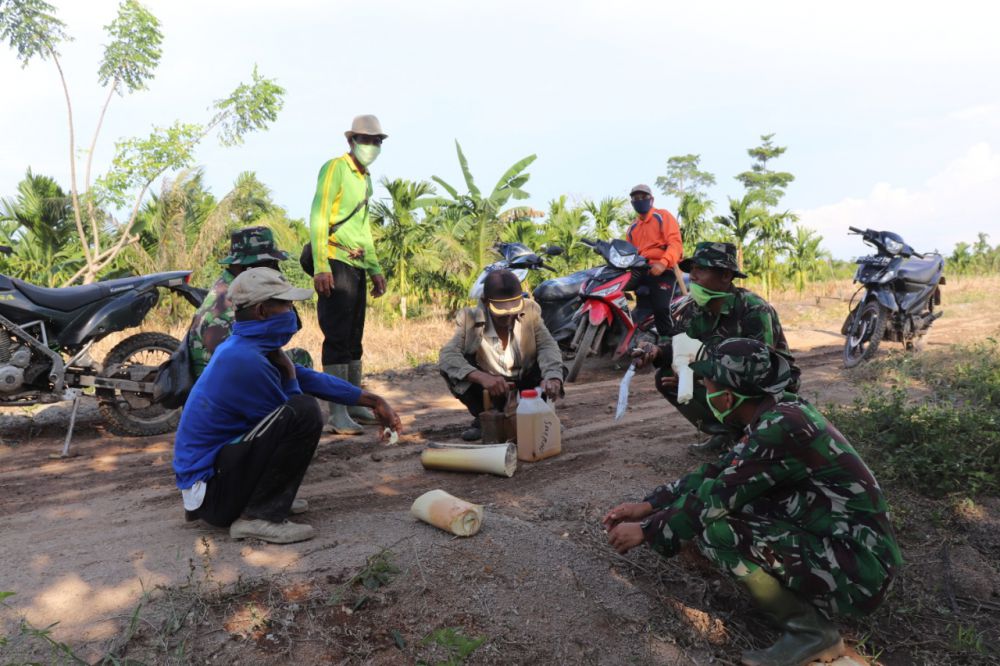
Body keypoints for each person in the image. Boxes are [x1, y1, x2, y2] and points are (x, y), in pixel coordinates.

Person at [603, 338, 901, 666]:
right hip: (849, 550)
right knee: (736, 506)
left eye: (707, 384)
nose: (703, 389)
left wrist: (647, 529)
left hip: (859, 569)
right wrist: (649, 505)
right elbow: (718, 472)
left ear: (727, 396)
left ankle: (811, 633)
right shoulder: (778, 412)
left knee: (717, 530)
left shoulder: (781, 427)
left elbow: (714, 499)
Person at [173, 268, 402, 544]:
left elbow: (313, 380)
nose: (291, 312)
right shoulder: (244, 360)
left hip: (217, 481)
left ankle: (262, 500)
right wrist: (291, 377)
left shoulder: (248, 346)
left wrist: (374, 401)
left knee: (299, 409)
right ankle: (259, 516)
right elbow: (290, 418)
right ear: (261, 312)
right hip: (212, 496)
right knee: (304, 413)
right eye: (285, 304)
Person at [633, 241, 800, 452]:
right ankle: (726, 434)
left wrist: (697, 376)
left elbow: (759, 369)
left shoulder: (754, 309)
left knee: (697, 378)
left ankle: (754, 435)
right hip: (724, 377)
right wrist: (656, 352)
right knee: (666, 378)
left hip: (770, 385)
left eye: (701, 269)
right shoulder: (694, 309)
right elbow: (680, 349)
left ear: (725, 276)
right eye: (692, 270)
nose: (693, 276)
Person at [309, 114, 389, 434]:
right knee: (337, 338)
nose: (370, 145)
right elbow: (318, 216)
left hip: (356, 265)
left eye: (376, 141)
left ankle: (355, 402)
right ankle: (337, 412)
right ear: (351, 141)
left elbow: (363, 229)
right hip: (334, 259)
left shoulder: (365, 178)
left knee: (355, 337)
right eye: (365, 139)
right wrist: (320, 266)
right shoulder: (335, 169)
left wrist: (375, 269)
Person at [439, 269, 564, 441]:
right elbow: (447, 356)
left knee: (555, 366)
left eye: (513, 309)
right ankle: (486, 419)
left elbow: (547, 346)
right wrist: (481, 377)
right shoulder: (469, 318)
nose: (509, 316)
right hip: (492, 389)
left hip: (527, 383)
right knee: (453, 370)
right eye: (501, 313)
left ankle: (541, 417)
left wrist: (553, 377)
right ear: (485, 301)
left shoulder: (531, 311)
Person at [188, 226, 311, 377]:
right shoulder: (231, 305)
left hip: (233, 373)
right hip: (229, 383)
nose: (274, 271)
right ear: (245, 267)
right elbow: (242, 365)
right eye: (270, 264)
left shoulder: (231, 287)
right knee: (300, 360)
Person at [625, 183, 683, 339]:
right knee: (618, 292)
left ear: (651, 199)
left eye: (643, 197)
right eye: (635, 198)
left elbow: (675, 244)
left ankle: (667, 341)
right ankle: (626, 332)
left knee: (661, 308)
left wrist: (663, 262)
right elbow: (628, 253)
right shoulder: (632, 228)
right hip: (640, 270)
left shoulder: (662, 216)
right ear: (632, 203)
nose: (639, 200)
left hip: (662, 269)